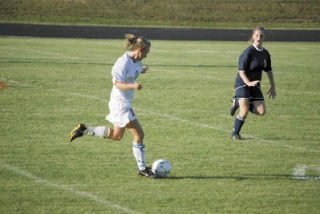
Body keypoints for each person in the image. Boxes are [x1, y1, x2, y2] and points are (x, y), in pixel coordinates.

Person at [68, 34, 157, 178]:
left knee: (116, 136)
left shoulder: (136, 61)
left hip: (123, 103)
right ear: (139, 49)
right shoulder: (122, 62)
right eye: (145, 53)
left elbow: (135, 69)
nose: (146, 56)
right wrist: (133, 86)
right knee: (139, 134)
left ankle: (84, 130)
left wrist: (142, 70)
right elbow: (117, 83)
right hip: (120, 104)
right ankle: (142, 168)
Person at [230, 27, 276, 140]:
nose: (259, 38)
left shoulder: (265, 53)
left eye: (261, 36)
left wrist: (273, 86)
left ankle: (237, 102)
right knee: (244, 111)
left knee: (261, 111)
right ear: (252, 37)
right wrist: (248, 82)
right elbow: (241, 71)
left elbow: (268, 70)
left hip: (254, 84)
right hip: (242, 83)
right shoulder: (248, 52)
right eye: (257, 35)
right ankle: (235, 134)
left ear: (265, 38)